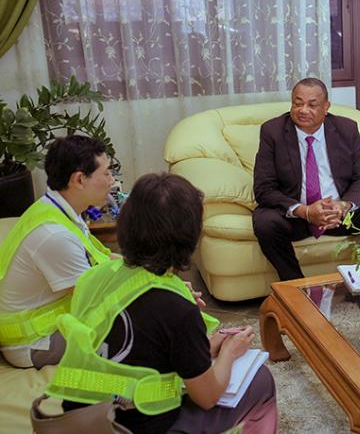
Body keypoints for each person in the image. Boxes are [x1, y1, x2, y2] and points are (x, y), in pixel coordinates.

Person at [47, 173, 277, 433]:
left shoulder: (95, 278)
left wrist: (203, 348)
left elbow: (132, 348)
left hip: (83, 420)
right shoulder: (178, 309)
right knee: (262, 381)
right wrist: (228, 353)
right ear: (189, 235)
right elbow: (207, 396)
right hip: (134, 426)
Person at [252, 77, 360, 281]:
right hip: (298, 217)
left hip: (339, 214)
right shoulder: (272, 131)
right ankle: (297, 285)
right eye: (297, 103)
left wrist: (344, 205)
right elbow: (263, 188)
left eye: (312, 105)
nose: (303, 110)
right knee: (265, 221)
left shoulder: (346, 129)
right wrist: (305, 211)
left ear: (326, 107)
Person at [0, 135, 114, 368]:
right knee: (141, 330)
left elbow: (101, 259)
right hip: (34, 342)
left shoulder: (55, 209)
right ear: (80, 179)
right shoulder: (55, 235)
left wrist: (159, 279)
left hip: (54, 323)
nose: (112, 181)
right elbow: (97, 298)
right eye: (107, 173)